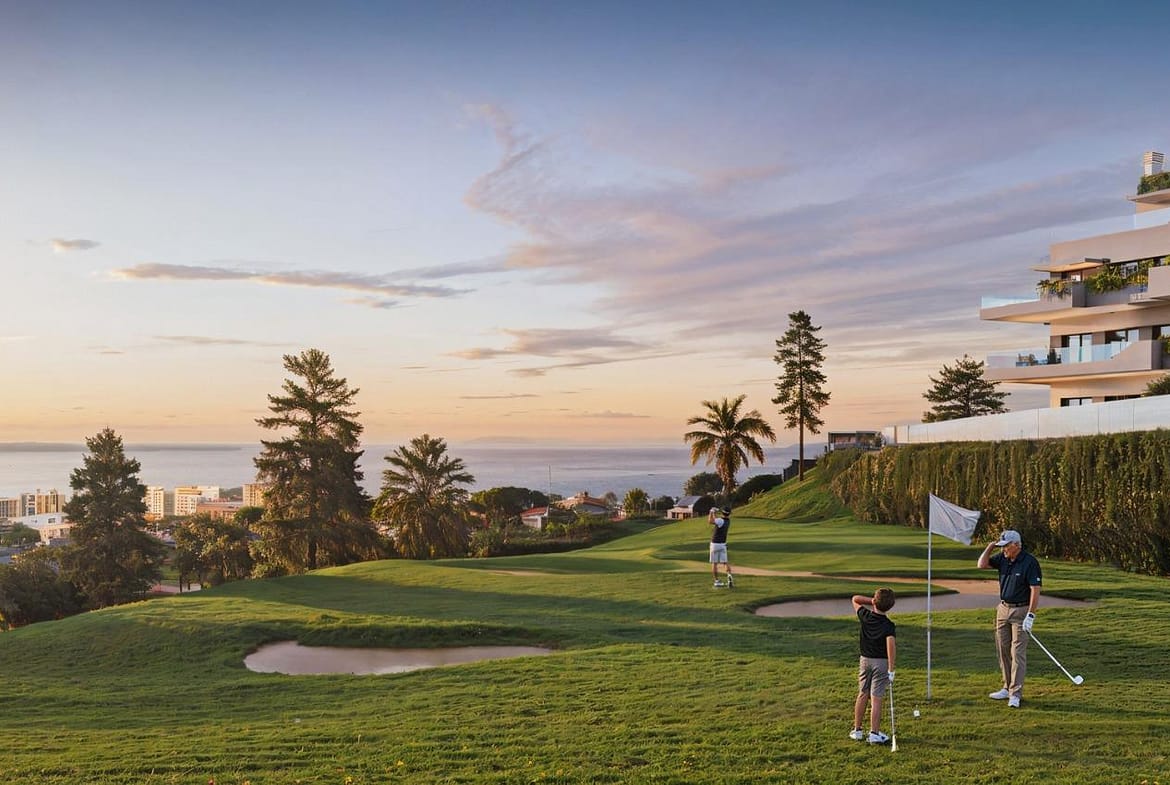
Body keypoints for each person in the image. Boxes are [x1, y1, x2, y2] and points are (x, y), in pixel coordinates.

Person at [977, 529, 1042, 709]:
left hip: (1021, 611)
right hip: (1003, 609)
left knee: (1017, 653)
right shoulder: (1003, 559)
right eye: (1002, 546)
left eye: (1006, 546)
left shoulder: (1029, 562)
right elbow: (981, 564)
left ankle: (1015, 694)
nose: (1003, 549)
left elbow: (1035, 589)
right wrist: (990, 547)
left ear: (1016, 545)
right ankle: (1006, 687)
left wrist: (1031, 615)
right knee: (1003, 650)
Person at [849, 588, 896, 744]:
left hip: (865, 661)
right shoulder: (889, 625)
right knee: (876, 698)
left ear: (875, 601)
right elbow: (891, 646)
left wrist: (872, 601)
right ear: (891, 606)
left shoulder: (865, 615)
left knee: (863, 693)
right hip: (881, 663)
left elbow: (855, 598)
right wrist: (891, 669)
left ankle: (857, 730)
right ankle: (874, 733)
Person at [709, 506, 733, 588]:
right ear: (729, 514)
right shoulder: (727, 521)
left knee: (714, 563)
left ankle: (716, 581)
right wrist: (714, 513)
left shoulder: (720, 520)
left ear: (722, 512)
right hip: (723, 544)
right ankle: (729, 576)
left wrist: (711, 512)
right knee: (725, 562)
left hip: (715, 544)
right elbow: (716, 521)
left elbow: (710, 521)